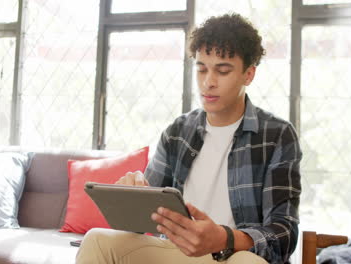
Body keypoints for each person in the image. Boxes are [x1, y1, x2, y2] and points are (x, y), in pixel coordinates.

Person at [76, 13, 302, 264]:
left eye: (223, 71)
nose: (208, 82)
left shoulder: (277, 135)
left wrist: (223, 237)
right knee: (97, 239)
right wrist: (133, 199)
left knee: (249, 263)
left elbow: (284, 234)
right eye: (201, 69)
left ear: (248, 75)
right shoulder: (177, 132)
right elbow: (145, 222)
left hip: (235, 255)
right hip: (176, 253)